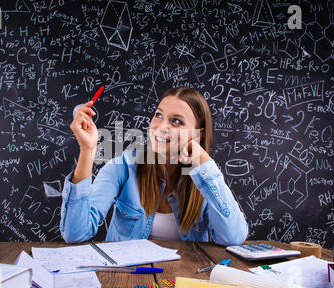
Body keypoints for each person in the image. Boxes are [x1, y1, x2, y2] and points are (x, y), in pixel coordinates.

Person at [60, 87, 248, 245]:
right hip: (127, 279)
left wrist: (206, 166)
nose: (161, 126)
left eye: (176, 121)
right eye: (159, 115)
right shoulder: (124, 167)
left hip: (184, 280)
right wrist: (87, 149)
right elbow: (75, 234)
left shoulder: (205, 178)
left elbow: (233, 238)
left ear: (198, 133)